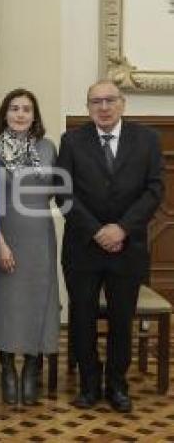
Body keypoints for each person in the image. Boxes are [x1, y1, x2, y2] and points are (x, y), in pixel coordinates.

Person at [57, 80, 163, 413]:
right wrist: (97, 231)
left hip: (128, 247)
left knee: (121, 318)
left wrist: (121, 229)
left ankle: (117, 384)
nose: (103, 107)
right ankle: (89, 384)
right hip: (83, 248)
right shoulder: (72, 141)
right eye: (95, 102)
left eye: (109, 100)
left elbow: (154, 190)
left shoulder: (147, 140)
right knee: (83, 316)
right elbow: (62, 193)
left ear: (123, 104)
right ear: (88, 107)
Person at [0, 88, 60, 406]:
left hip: (40, 237)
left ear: (34, 115)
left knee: (37, 303)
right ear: (4, 114)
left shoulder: (48, 148)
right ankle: (7, 370)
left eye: (26, 109)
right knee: (5, 305)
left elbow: (58, 191)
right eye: (14, 108)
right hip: (3, 237)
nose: (20, 114)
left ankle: (31, 368)